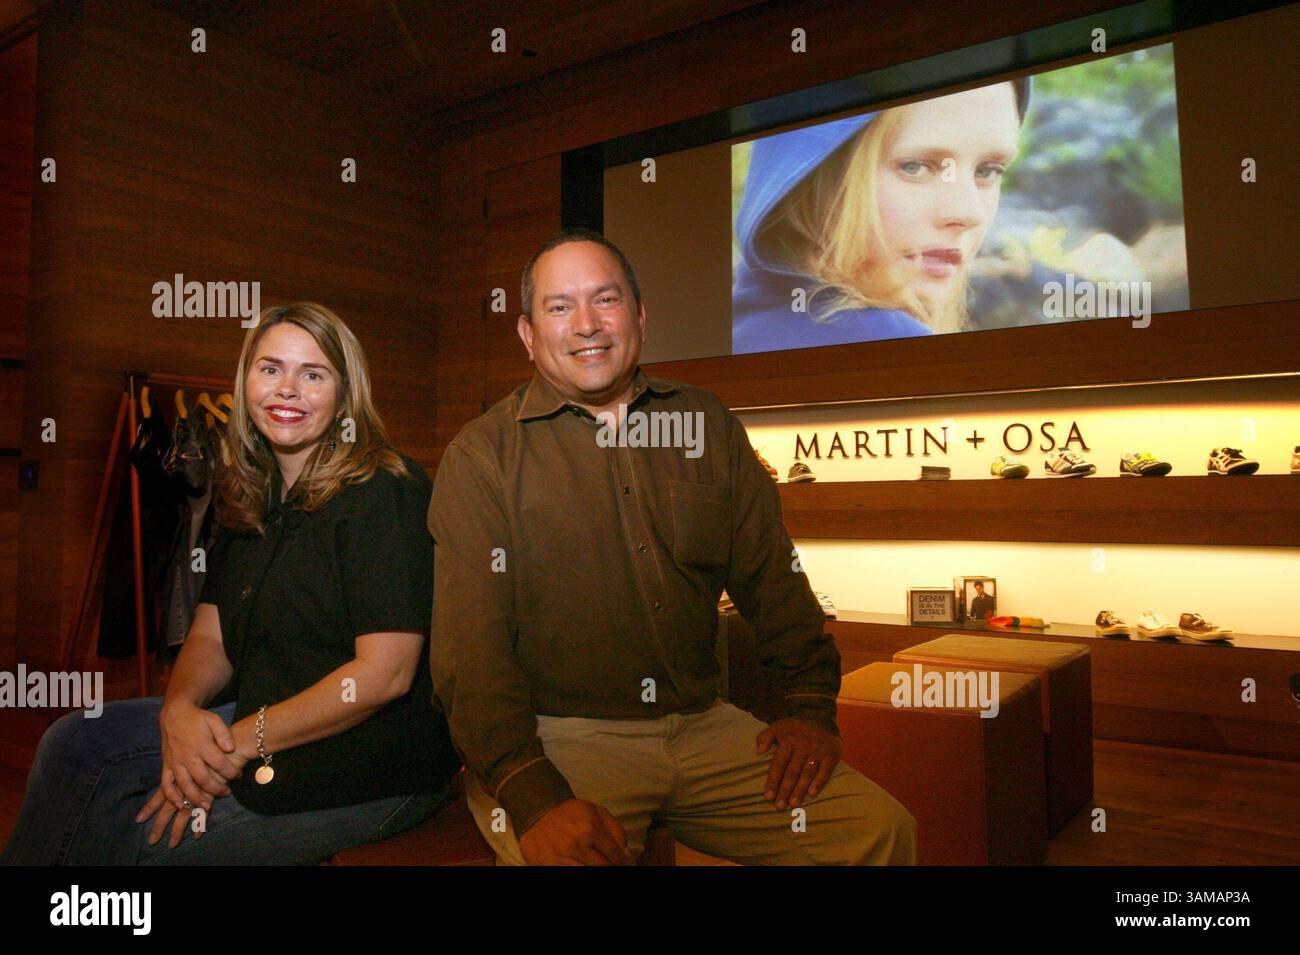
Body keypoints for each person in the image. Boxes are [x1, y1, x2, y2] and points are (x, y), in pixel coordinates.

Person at [429, 229, 917, 865]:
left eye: (605, 300)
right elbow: (472, 655)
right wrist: (531, 793)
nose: (586, 325)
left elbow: (773, 581)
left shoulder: (706, 424)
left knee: (881, 829)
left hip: (704, 725)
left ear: (638, 316)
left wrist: (808, 707)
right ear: (527, 334)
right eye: (559, 307)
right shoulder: (482, 456)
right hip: (560, 738)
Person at [1, 303, 461, 865]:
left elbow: (384, 675)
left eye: (312, 375)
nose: (286, 389)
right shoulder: (252, 494)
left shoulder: (385, 490)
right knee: (75, 743)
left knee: (138, 845)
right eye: (270, 369)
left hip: (377, 764)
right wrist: (179, 712)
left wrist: (239, 744)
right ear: (245, 383)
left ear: (345, 397)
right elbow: (210, 636)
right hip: (262, 714)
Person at [732, 78, 1030, 354]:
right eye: (915, 167)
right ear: (815, 180)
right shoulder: (889, 347)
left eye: (988, 171)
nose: (968, 213)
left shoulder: (734, 325)